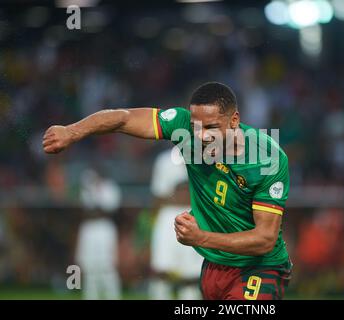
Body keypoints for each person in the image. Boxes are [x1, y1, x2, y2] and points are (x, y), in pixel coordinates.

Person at [43, 81, 292, 300]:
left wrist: (201, 238)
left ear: (235, 120)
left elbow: (264, 240)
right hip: (215, 265)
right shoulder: (182, 128)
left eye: (212, 127)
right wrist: (71, 132)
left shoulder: (266, 158)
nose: (203, 136)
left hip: (259, 266)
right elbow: (124, 118)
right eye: (197, 127)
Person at [148, 146, 203, 300]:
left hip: (193, 214)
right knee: (162, 270)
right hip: (168, 216)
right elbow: (158, 194)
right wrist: (153, 225)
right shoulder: (164, 160)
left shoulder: (204, 159)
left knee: (191, 274)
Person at [76, 168, 122, 300]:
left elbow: (109, 210)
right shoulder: (86, 186)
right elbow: (83, 210)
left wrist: (96, 205)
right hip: (88, 228)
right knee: (89, 268)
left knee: (107, 266)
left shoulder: (110, 188)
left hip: (104, 228)